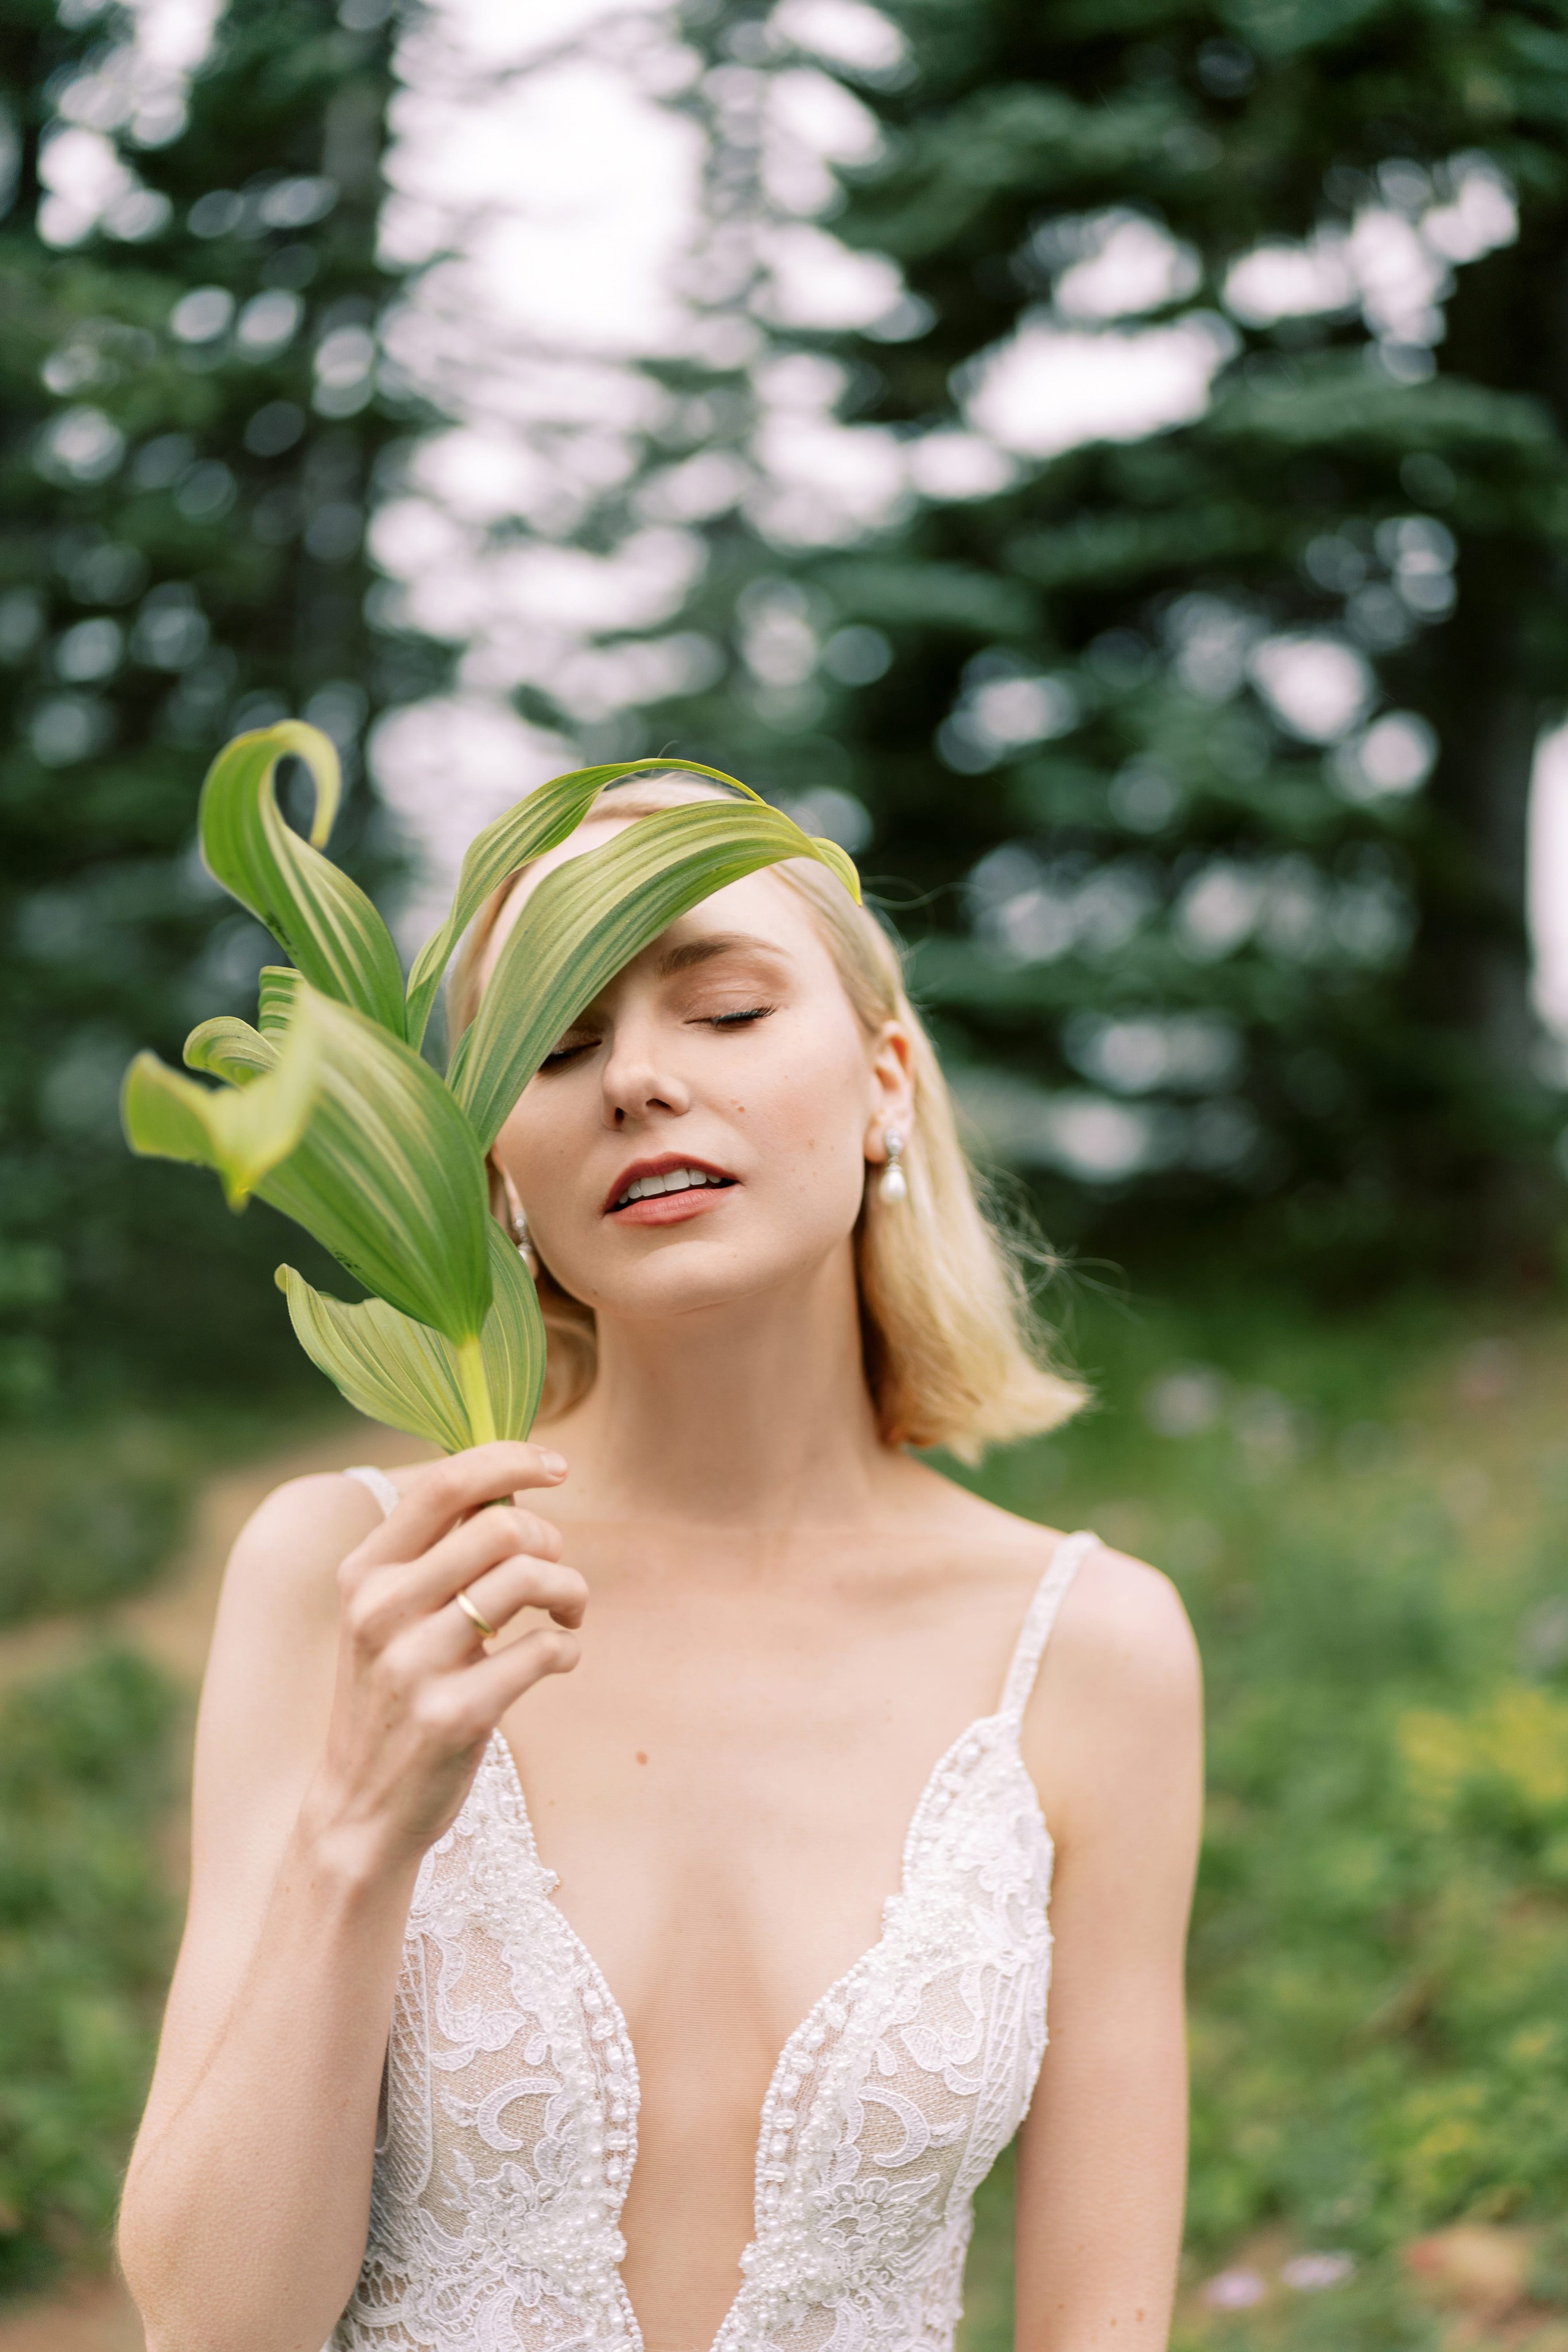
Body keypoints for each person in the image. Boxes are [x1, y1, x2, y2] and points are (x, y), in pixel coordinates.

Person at [118, 775, 1203, 2352]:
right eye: (554, 1045)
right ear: (493, 1164)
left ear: (886, 1084)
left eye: (726, 1009)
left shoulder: (1091, 1647)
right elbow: (211, 2327)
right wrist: (359, 1829)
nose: (634, 1079)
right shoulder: (358, 1576)